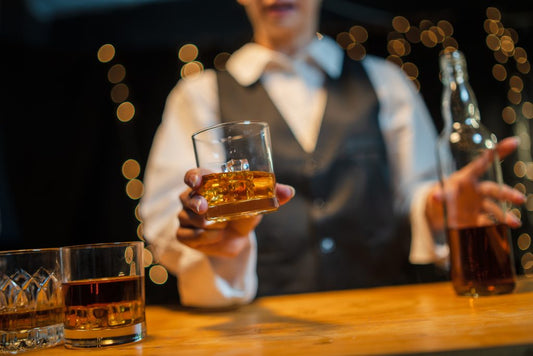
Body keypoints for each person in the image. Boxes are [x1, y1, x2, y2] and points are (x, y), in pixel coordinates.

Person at [140, 0, 525, 307]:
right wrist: (213, 242)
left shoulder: (384, 81)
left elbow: (416, 192)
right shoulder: (198, 94)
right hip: (261, 328)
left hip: (386, 317)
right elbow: (164, 220)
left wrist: (439, 206)